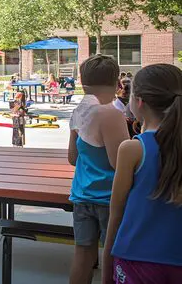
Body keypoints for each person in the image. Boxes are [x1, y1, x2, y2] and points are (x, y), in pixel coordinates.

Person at [101, 64, 182, 284]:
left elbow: (116, 216)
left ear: (139, 102)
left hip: (136, 259)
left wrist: (106, 270)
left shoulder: (133, 149)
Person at [68, 54, 130, 284]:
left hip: (82, 196)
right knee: (110, 256)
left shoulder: (78, 113)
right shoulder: (111, 114)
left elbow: (72, 158)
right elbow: (119, 163)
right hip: (108, 198)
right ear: (117, 84)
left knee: (83, 255)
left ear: (82, 82)